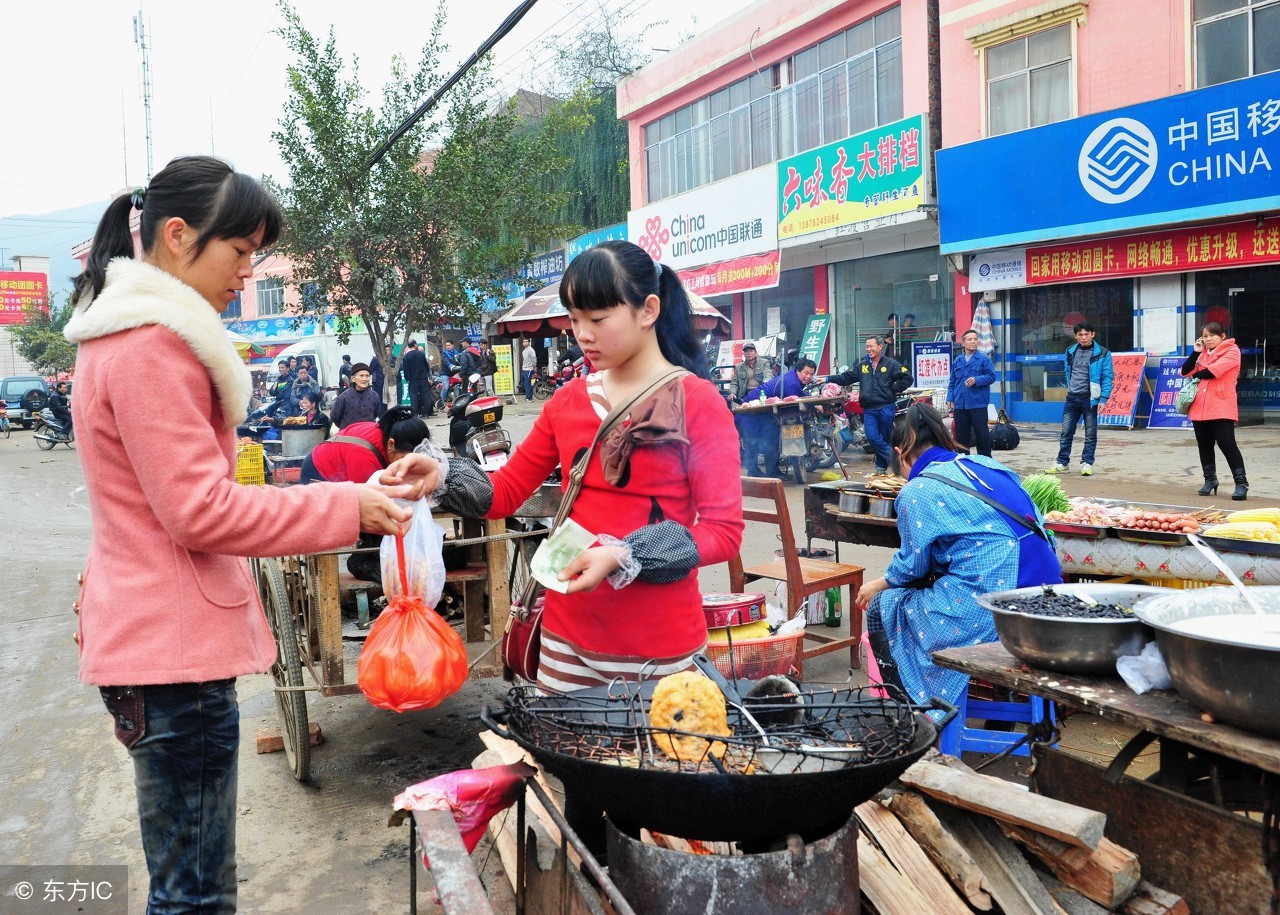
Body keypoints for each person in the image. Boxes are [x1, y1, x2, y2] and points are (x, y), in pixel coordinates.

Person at [63, 155, 436, 913]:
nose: (247, 271)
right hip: (173, 660)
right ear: (177, 237)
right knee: (196, 897)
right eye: (239, 251)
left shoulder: (132, 337)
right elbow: (203, 510)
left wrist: (355, 491)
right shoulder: (150, 348)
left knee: (188, 887)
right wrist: (348, 508)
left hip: (162, 650)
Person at [433, 239, 743, 694]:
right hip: (565, 643)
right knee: (567, 763)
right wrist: (439, 473)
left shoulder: (698, 404)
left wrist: (623, 554)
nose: (583, 334)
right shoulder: (568, 400)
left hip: (659, 653)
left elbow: (723, 531)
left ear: (648, 309)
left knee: (655, 763)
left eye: (598, 319)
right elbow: (502, 495)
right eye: (575, 320)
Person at [855, 404, 1062, 708]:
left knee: (883, 607)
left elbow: (911, 567)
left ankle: (914, 711)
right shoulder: (988, 466)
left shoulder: (919, 489)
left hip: (1000, 605)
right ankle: (1000, 696)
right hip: (1047, 591)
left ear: (901, 452)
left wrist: (877, 584)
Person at [303, 406, 431, 581]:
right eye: (405, 459)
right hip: (317, 474)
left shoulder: (389, 432)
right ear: (391, 444)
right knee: (371, 519)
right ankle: (361, 559)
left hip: (340, 464)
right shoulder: (363, 457)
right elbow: (368, 505)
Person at [825, 335, 913, 474]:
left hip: (886, 407)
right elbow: (846, 377)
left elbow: (908, 378)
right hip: (869, 409)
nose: (868, 349)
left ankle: (881, 467)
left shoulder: (891, 364)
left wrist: (892, 390)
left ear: (880, 347)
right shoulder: (862, 365)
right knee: (872, 437)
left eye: (871, 346)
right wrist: (827, 378)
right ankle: (897, 461)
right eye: (867, 347)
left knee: (885, 437)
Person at [1181, 321, 1248, 500]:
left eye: (1212, 335)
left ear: (1223, 336)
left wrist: (1196, 374)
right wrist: (1195, 352)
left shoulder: (1232, 351)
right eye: (1205, 336)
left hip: (1221, 406)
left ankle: (1241, 483)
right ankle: (1210, 480)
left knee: (1228, 445)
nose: (1208, 339)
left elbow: (1212, 371)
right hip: (1199, 407)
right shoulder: (1202, 353)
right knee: (1204, 445)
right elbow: (1185, 371)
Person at [1047, 322, 1113, 476]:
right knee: (1066, 431)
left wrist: (1103, 399)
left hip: (1090, 399)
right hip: (1072, 399)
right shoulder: (1070, 351)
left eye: (1086, 334)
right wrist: (1070, 388)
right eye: (1080, 335)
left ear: (1092, 334)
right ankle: (1062, 462)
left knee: (1090, 434)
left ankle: (1087, 463)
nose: (1084, 337)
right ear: (1076, 336)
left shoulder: (1103, 353)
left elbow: (1107, 377)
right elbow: (1067, 370)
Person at [743, 356, 818, 480]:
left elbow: (799, 394)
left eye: (811, 374)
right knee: (759, 442)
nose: (809, 376)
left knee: (767, 440)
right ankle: (763, 473)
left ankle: (766, 472)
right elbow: (793, 398)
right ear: (798, 371)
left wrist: (812, 399)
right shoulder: (792, 383)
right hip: (753, 409)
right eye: (806, 373)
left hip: (766, 412)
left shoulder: (794, 379)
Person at [947, 329, 997, 458]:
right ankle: (963, 461)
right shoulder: (958, 361)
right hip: (960, 404)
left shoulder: (984, 359)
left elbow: (992, 376)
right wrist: (950, 398)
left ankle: (985, 461)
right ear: (963, 343)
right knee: (961, 436)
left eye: (975, 339)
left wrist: (977, 379)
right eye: (970, 339)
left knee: (982, 435)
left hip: (977, 404)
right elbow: (952, 381)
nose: (973, 342)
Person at [329, 362, 382, 428]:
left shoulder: (374, 396)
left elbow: (376, 414)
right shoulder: (343, 397)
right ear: (353, 379)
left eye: (367, 376)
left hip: (368, 433)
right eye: (361, 376)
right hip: (349, 435)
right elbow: (335, 416)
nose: (365, 379)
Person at [401, 338, 433, 417]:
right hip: (423, 379)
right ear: (415, 344)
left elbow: (405, 369)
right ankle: (426, 413)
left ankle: (415, 414)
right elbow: (426, 366)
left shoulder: (406, 356)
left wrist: (407, 378)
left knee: (413, 397)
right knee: (425, 396)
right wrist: (427, 376)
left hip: (412, 380)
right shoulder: (421, 354)